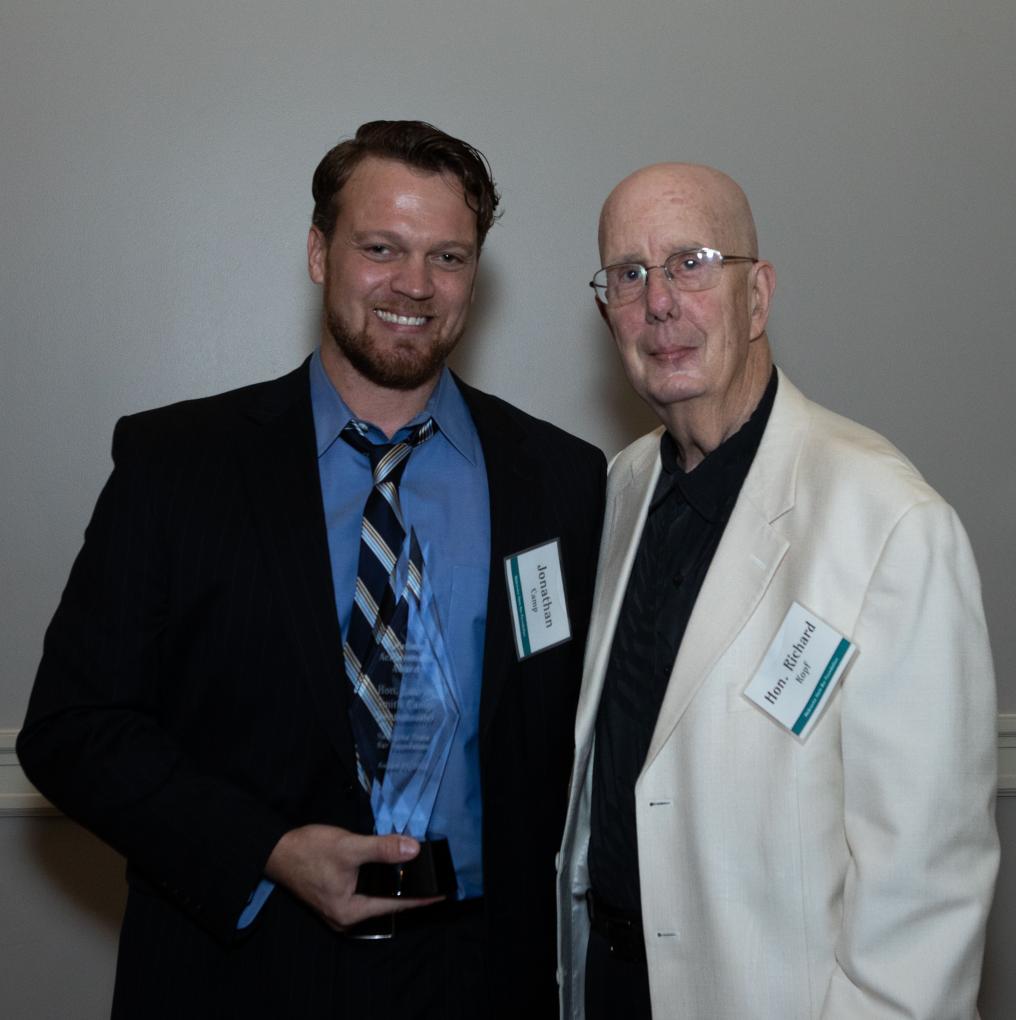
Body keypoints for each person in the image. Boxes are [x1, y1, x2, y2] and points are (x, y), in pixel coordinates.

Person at [18, 120, 606, 1019]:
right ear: (317, 251)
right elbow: (72, 728)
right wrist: (270, 850)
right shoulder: (180, 465)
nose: (415, 284)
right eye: (382, 248)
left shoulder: (561, 482)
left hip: (481, 976)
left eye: (448, 256)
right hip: (239, 965)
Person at [556, 163, 998, 1019]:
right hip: (607, 988)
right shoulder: (617, 489)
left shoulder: (890, 523)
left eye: (691, 263)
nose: (659, 303)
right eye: (629, 274)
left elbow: (925, 905)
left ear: (757, 297)